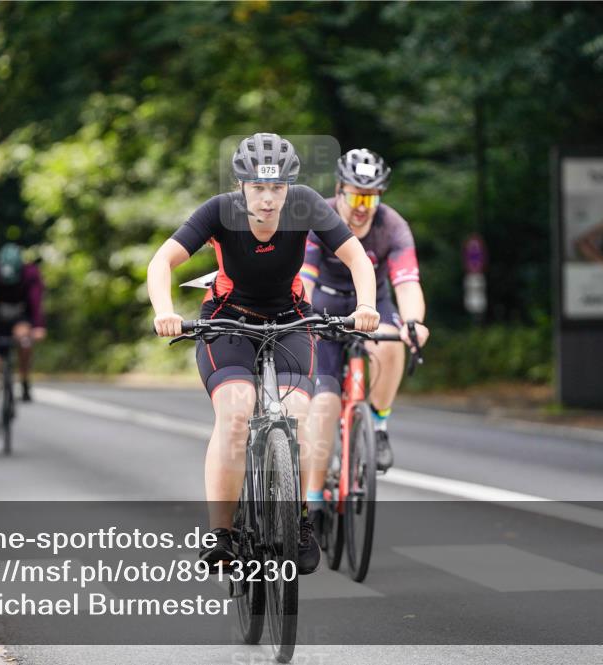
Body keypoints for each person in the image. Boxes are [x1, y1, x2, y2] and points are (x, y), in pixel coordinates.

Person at [147, 133, 379, 575]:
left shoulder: (307, 204)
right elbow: (161, 262)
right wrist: (165, 312)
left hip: (290, 319)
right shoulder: (219, 211)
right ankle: (222, 534)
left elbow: (358, 259)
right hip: (227, 320)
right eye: (258, 188)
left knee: (299, 414)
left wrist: (366, 306)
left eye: (277, 188)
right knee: (235, 413)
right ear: (242, 186)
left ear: (289, 186)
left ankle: (299, 520)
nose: (268, 199)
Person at [301, 148, 430, 494]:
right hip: (323, 301)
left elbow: (407, 283)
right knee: (323, 405)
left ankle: (378, 424)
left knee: (391, 341)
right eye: (356, 195)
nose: (361, 207)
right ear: (339, 189)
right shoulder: (320, 217)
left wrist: (414, 322)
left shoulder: (393, 226)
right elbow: (305, 278)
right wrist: (300, 316)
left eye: (370, 199)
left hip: (372, 301)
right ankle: (311, 501)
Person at [0, 243, 46, 436]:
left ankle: (24, 380)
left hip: (21, 319)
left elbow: (36, 302)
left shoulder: (30, 274)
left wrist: (38, 327)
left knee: (24, 337)